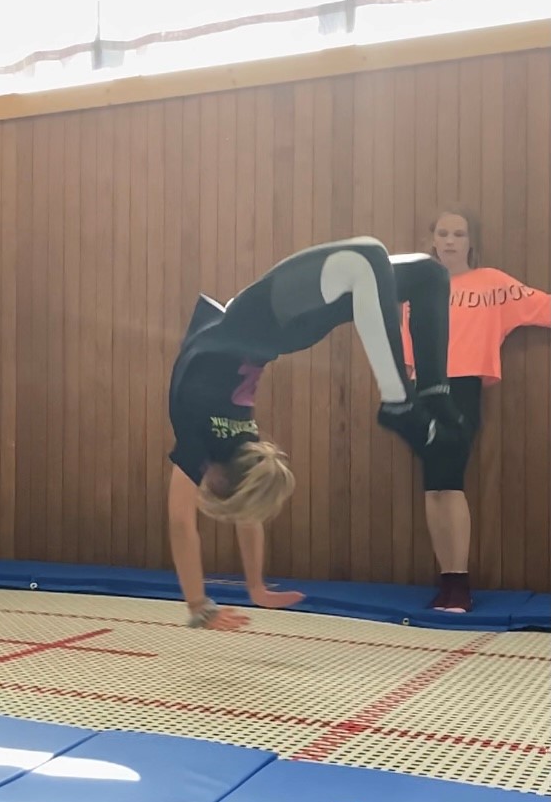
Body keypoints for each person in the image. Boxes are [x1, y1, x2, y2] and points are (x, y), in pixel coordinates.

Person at [168, 235, 465, 630]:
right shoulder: (242, 455)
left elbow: (181, 523)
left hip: (267, 318)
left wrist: (200, 606)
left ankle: (420, 397)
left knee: (424, 273)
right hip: (278, 323)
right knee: (366, 261)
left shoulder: (196, 438)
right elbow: (248, 511)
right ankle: (412, 399)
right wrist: (255, 586)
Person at [401, 206, 551, 613]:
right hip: (423, 393)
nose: (450, 241)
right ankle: (447, 581)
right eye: (443, 234)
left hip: (462, 389)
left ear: (471, 241)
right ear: (432, 240)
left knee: (450, 482)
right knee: (434, 487)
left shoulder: (492, 284)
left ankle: (459, 585)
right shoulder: (416, 292)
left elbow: (542, 307)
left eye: (459, 234)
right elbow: (408, 354)